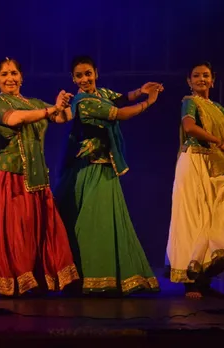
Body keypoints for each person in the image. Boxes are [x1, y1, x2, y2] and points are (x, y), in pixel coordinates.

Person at [0, 57, 80, 296]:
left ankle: (35, 278)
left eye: (14, 73)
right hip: (7, 174)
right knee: (12, 229)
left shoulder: (34, 102)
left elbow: (62, 118)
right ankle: (12, 280)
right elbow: (15, 119)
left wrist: (69, 100)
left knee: (33, 227)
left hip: (34, 176)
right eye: (4, 74)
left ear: (22, 77)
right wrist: (51, 109)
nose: (10, 78)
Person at [54, 55, 161, 296]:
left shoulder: (100, 93)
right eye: (79, 75)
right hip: (89, 168)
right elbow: (120, 113)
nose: (84, 79)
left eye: (88, 73)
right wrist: (148, 102)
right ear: (73, 78)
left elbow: (122, 97)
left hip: (106, 167)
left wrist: (140, 91)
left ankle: (109, 277)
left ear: (96, 74)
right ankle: (86, 276)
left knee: (108, 221)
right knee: (92, 222)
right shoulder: (83, 101)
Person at [166, 62, 224, 299]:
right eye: (196, 76)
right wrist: (220, 142)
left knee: (216, 216)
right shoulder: (189, 101)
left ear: (213, 80)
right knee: (194, 219)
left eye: (206, 75)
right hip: (194, 161)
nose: (201, 79)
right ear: (189, 81)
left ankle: (204, 279)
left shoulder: (218, 108)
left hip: (214, 165)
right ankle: (191, 282)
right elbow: (189, 126)